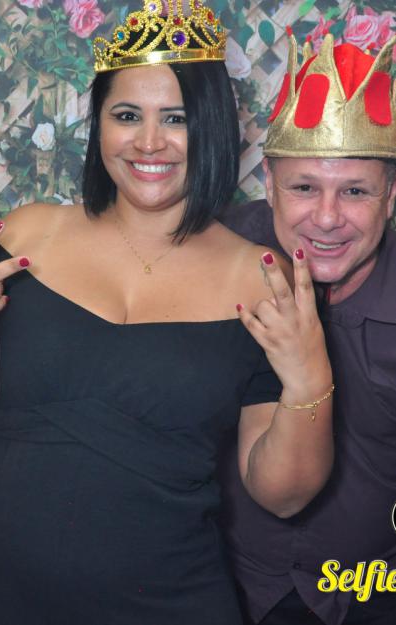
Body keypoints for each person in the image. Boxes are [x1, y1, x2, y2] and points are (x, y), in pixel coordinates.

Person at [0, 2, 333, 623]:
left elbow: (281, 494)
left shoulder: (263, 279)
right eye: (127, 116)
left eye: (176, 118)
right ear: (98, 124)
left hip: (169, 599)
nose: (149, 142)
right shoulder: (28, 236)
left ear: (210, 126)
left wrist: (311, 382)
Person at [217, 33, 396, 625]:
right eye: (303, 188)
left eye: (355, 191)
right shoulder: (214, 251)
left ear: (391, 196)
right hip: (222, 585)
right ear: (269, 182)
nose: (326, 218)